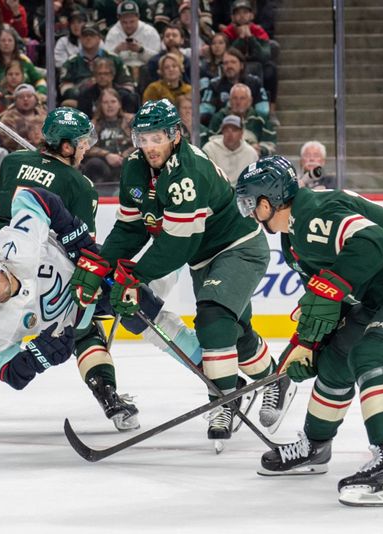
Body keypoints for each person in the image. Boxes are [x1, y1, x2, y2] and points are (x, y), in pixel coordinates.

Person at [0, 107, 201, 430]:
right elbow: (83, 249)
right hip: (39, 259)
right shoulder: (80, 185)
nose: (86, 147)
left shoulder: (13, 161)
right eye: (81, 142)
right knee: (85, 332)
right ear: (65, 146)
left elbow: (29, 184)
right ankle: (109, 397)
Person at [234, 155, 383, 507]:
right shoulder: (292, 241)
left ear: (269, 201)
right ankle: (314, 446)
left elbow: (372, 242)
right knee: (336, 357)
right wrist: (306, 344)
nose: (247, 211)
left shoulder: (314, 213)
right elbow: (326, 299)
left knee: (370, 353)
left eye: (250, 202)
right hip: (380, 288)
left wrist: (328, 296)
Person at [75, 99, 296, 446]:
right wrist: (100, 263)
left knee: (213, 320)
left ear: (175, 135)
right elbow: (130, 229)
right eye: (142, 138)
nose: (149, 146)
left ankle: (223, 401)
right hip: (202, 256)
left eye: (157, 137)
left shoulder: (187, 171)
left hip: (238, 246)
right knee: (234, 331)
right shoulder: (135, 167)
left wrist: (135, 277)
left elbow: (178, 246)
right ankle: (275, 379)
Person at [0, 186, 141, 435]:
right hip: (65, 321)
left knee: (143, 307)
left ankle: (208, 371)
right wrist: (35, 359)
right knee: (83, 335)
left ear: (1, 266)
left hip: (86, 276)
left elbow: (31, 196)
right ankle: (107, 394)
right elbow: (9, 372)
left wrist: (77, 242)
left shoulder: (17, 245)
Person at [200, 47, 269, 125]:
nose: (229, 66)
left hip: (251, 126)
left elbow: (263, 112)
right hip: (221, 128)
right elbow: (204, 113)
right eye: (225, 63)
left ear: (241, 65)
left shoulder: (255, 83)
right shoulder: (214, 85)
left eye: (233, 62)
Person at [82, 87, 135, 188]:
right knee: (94, 164)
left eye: (113, 101)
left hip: (126, 161)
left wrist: (126, 155)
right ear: (100, 105)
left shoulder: (130, 120)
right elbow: (86, 146)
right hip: (103, 165)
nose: (109, 105)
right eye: (105, 102)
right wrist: (107, 155)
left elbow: (140, 142)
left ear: (119, 104)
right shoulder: (93, 124)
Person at [207, 83, 277, 156]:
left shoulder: (261, 118)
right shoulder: (219, 118)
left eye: (242, 98)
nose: (238, 102)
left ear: (250, 101)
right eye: (235, 98)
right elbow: (210, 141)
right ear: (230, 101)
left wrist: (260, 149)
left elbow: (270, 143)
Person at [0, 26, 47, 96]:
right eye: (3, 40)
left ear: (15, 43)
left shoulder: (24, 59)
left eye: (10, 40)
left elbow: (39, 80)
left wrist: (40, 93)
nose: (6, 43)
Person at [103, 0, 161, 74]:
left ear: (138, 17)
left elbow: (157, 60)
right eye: (124, 22)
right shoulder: (113, 33)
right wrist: (117, 50)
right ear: (118, 18)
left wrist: (141, 50)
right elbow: (106, 61)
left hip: (145, 70)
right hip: (121, 71)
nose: (129, 25)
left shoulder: (150, 32)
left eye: (132, 21)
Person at [201, 114, 258, 186]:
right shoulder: (209, 149)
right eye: (227, 130)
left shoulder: (251, 154)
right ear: (222, 132)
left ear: (241, 133)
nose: (230, 135)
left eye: (234, 130)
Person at [0, 83, 48, 152]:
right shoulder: (8, 118)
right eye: (21, 97)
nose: (25, 99)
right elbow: (7, 140)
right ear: (15, 101)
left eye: (29, 96)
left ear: (36, 98)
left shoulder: (44, 114)